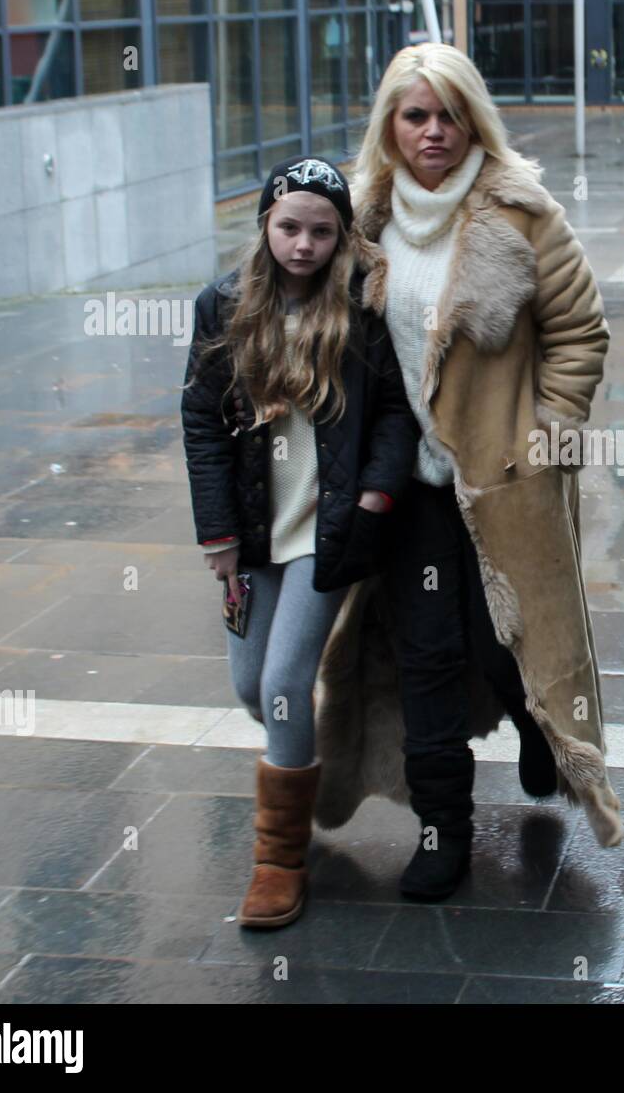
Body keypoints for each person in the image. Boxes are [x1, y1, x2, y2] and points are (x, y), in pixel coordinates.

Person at [312, 43, 622, 902]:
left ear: (473, 118)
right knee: (425, 652)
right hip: (405, 487)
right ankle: (444, 825)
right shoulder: (364, 218)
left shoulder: (520, 212)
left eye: (450, 114)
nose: (434, 132)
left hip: (503, 477)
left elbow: (580, 331)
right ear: (391, 125)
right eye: (416, 115)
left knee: (502, 640)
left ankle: (534, 724)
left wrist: (546, 433)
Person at [181, 156, 419, 928]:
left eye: (322, 230)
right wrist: (217, 535)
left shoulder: (360, 306)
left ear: (341, 235)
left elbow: (391, 410)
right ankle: (300, 756)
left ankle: (279, 861)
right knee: (253, 688)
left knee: (284, 683)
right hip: (253, 535)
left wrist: (378, 493)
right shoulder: (221, 305)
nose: (304, 244)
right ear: (265, 227)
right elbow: (200, 423)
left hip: (328, 529)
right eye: (289, 227)